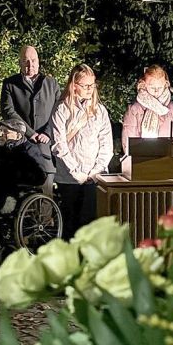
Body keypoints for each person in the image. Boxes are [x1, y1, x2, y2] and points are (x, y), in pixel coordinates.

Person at [51, 63, 113, 238]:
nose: (89, 89)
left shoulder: (100, 111)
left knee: (91, 223)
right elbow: (59, 144)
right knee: (70, 224)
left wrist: (96, 171)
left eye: (92, 85)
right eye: (85, 86)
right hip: (69, 178)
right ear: (74, 85)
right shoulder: (61, 109)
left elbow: (106, 144)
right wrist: (75, 172)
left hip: (94, 177)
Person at [0, 45, 59, 196]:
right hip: (21, 148)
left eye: (33, 60)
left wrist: (47, 133)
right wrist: (29, 133)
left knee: (45, 196)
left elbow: (58, 112)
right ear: (19, 63)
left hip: (46, 150)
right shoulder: (10, 84)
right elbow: (8, 111)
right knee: (19, 196)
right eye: (25, 61)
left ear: (38, 62)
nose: (30, 65)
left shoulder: (51, 83)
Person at [121, 64, 173, 155]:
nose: (156, 91)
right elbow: (128, 143)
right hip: (141, 159)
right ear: (143, 85)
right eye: (152, 87)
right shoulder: (134, 109)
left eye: (160, 87)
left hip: (167, 159)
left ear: (166, 85)